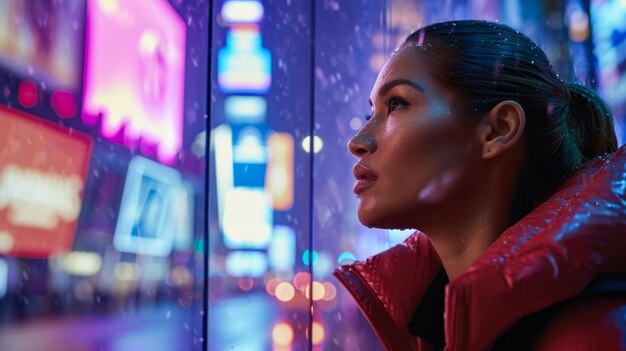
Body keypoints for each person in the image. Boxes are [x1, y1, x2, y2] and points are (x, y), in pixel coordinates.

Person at [334, 20, 626, 351]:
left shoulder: (593, 336)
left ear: (498, 129)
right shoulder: (429, 327)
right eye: (372, 111)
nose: (357, 141)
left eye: (397, 103)